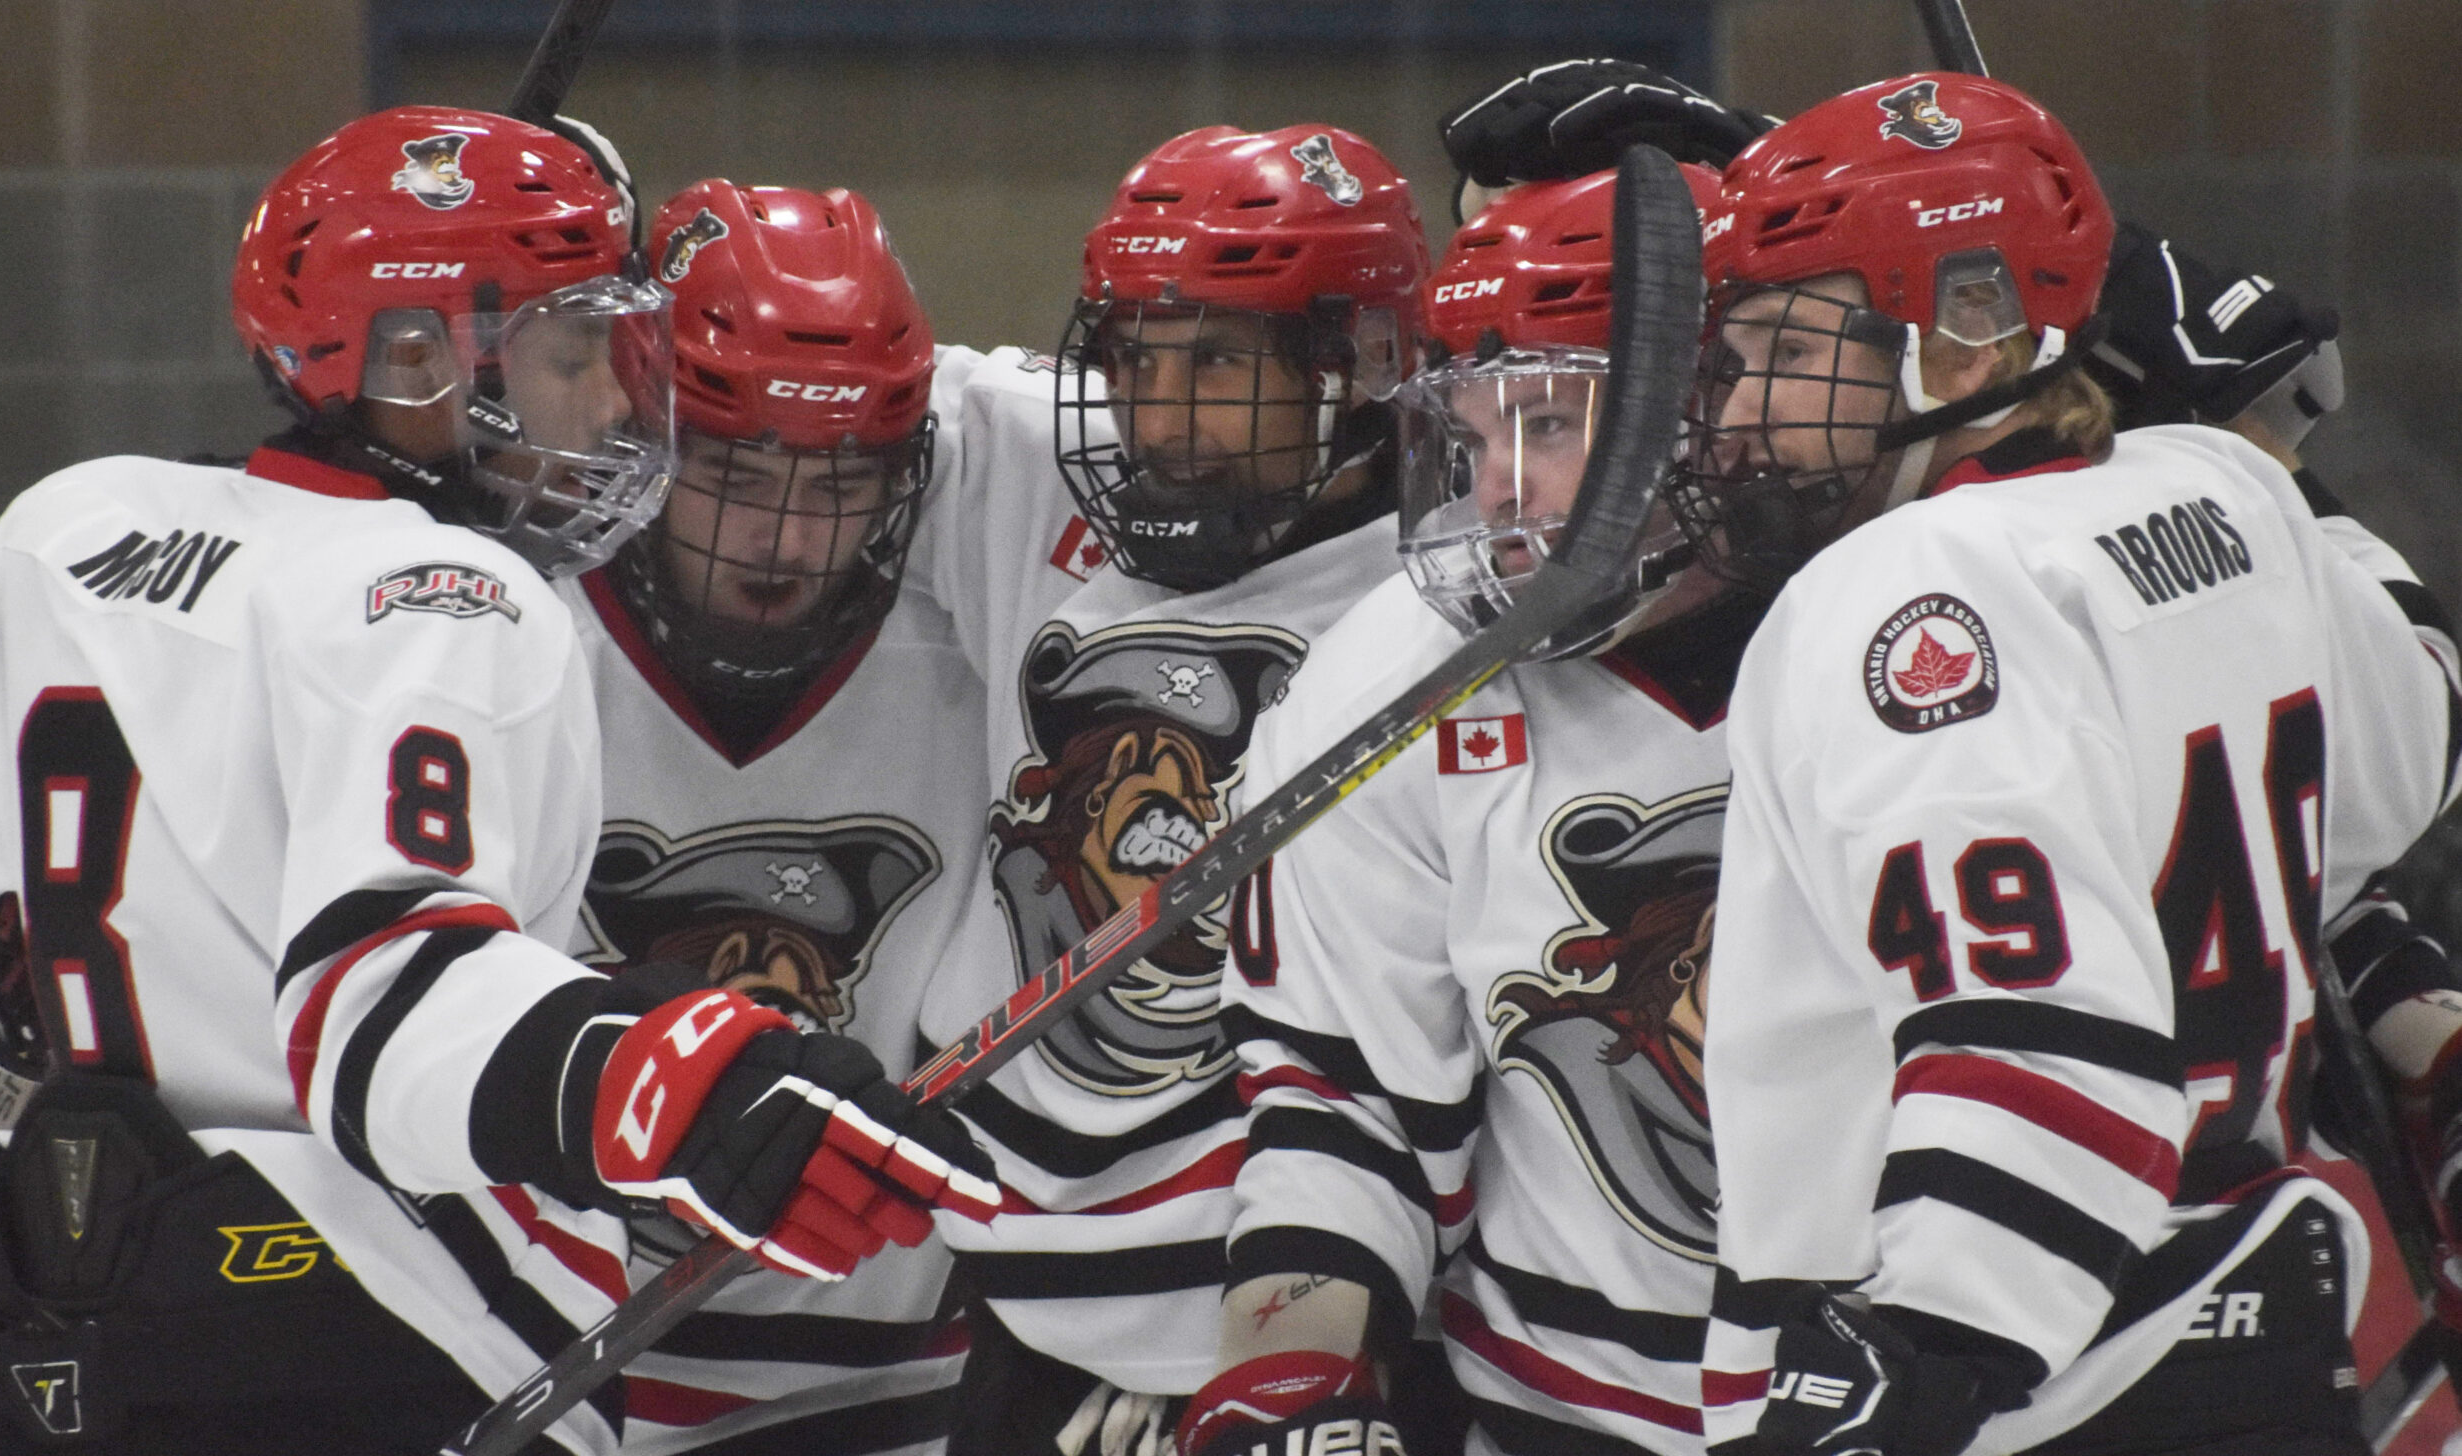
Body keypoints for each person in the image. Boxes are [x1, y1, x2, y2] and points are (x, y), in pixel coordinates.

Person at [0, 106, 996, 1456]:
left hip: (58, 1299)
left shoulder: (66, 528)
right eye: (577, 351)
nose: (624, 401)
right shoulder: (452, 596)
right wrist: (684, 1081)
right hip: (370, 1330)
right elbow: (383, 1004)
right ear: (415, 362)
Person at [1674, 74, 2462, 1456]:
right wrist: (2276, 454)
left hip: (2023, 1379)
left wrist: (1910, 1369)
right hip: (2266, 1329)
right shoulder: (2228, 497)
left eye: (1789, 350)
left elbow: (2045, 1040)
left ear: (1968, 337)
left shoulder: (1896, 594)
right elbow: (2419, 747)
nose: (1741, 415)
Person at [1181, 162, 1781, 1456]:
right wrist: (1290, 1378)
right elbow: (1346, 1103)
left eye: (1553, 427)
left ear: (1706, 408)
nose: (1501, 488)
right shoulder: (1387, 681)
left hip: (1920, 1400)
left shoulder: (1897, 629)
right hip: (1555, 1417)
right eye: (1478, 434)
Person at [919, 122, 1434, 1456]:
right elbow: (816, 368)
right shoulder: (1034, 493)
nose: (1162, 424)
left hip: (1298, 1322)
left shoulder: (1439, 606)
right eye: (1139, 363)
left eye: (1215, 364)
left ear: (1362, 365)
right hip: (1017, 1315)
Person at [566, 176, 1040, 1455]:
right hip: (549, 1357)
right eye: (730, 469)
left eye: (837, 482)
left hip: (891, 1376)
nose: (782, 538)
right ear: (636, 427)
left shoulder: (976, 646)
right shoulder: (514, 640)